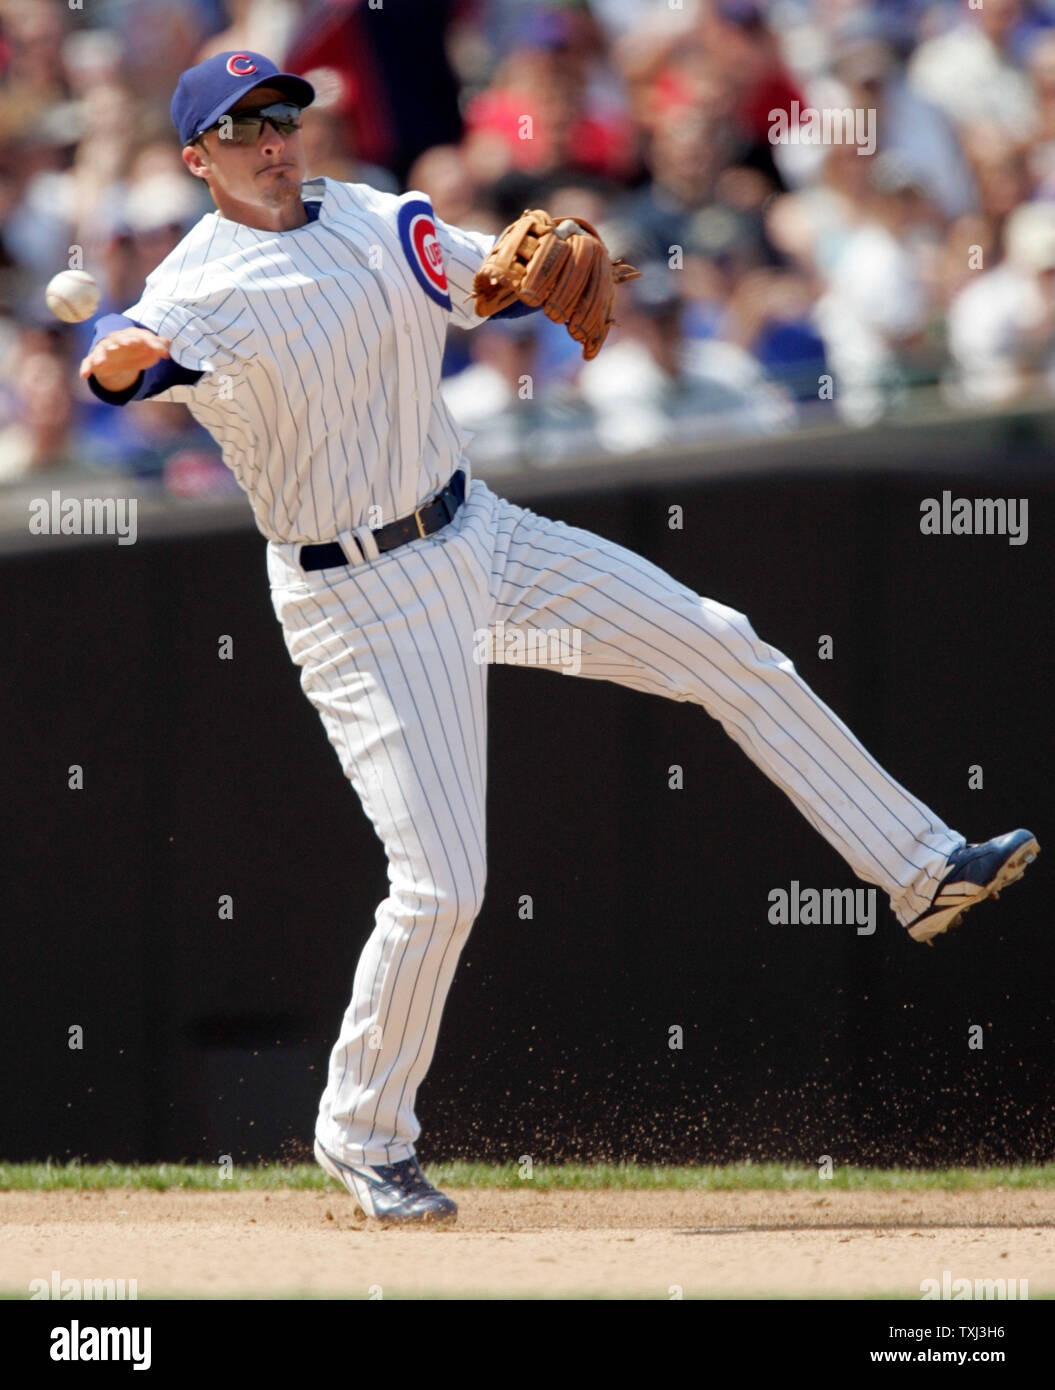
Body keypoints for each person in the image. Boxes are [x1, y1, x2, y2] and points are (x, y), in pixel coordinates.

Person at [80, 52, 1038, 1226]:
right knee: (442, 887)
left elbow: (476, 281)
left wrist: (519, 274)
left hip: (475, 532)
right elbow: (126, 356)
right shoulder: (199, 284)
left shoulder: (373, 214)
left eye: (283, 112)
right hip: (357, 603)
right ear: (198, 159)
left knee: (721, 643)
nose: (273, 135)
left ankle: (917, 866)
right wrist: (111, 356)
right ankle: (363, 1133)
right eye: (242, 126)